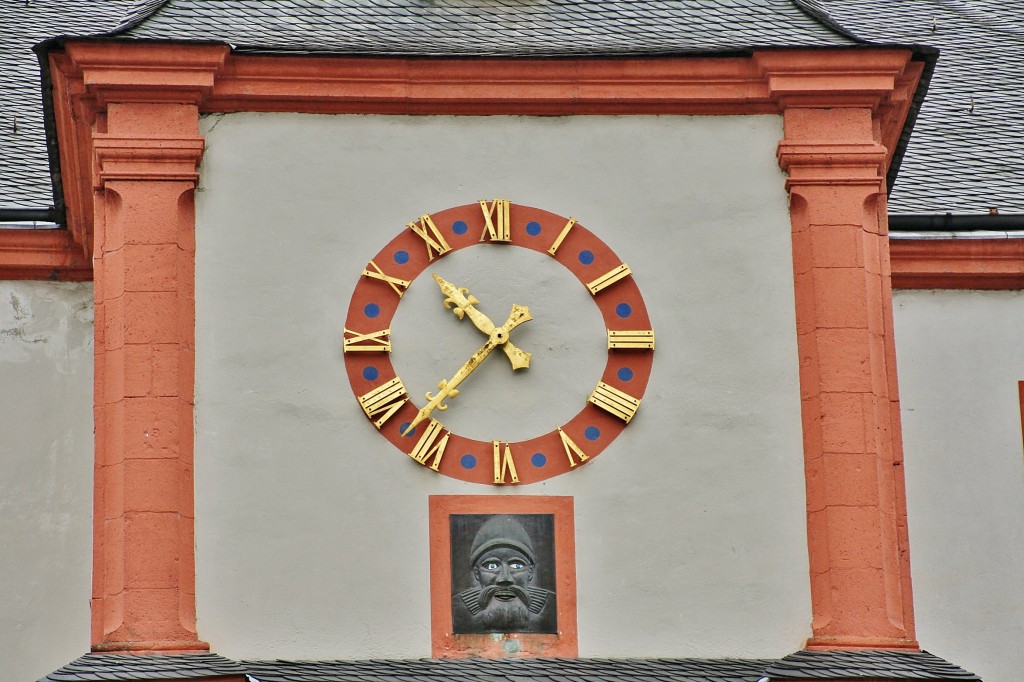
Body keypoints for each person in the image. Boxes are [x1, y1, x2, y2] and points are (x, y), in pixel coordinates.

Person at [453, 515, 556, 633]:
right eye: (492, 566)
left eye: (516, 566)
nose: (505, 578)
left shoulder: (554, 608)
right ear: (477, 574)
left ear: (531, 572)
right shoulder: (453, 610)